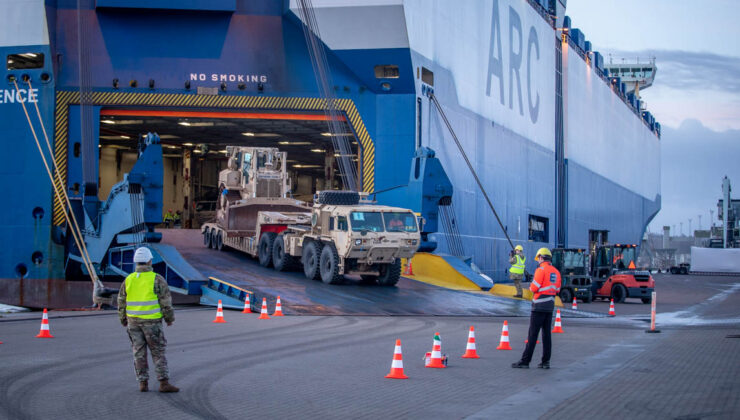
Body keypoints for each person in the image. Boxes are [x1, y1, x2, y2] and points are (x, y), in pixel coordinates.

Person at [118, 247, 179, 393]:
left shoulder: (128, 280)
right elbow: (165, 302)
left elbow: (121, 301)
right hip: (152, 322)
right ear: (150, 261)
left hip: (133, 322)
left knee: (138, 352)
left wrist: (123, 319)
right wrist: (169, 318)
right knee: (157, 351)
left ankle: (143, 383)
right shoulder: (156, 279)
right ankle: (163, 383)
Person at [512, 247, 561, 369]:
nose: (537, 260)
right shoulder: (556, 272)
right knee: (546, 335)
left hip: (538, 306)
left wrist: (531, 282)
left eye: (538, 258)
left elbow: (534, 288)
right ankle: (545, 362)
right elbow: (557, 289)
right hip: (550, 307)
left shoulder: (540, 270)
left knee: (532, 335)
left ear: (541, 257)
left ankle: (525, 361)